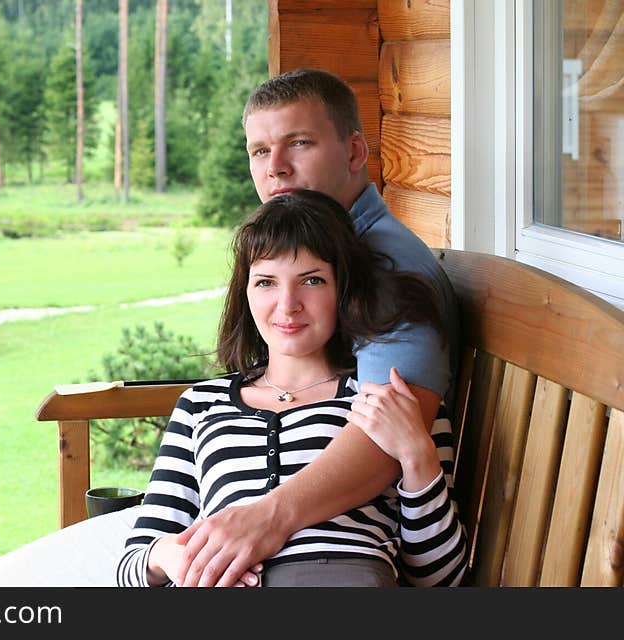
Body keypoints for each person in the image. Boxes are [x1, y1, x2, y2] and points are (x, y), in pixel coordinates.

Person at [171, 68, 459, 587]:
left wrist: (264, 518)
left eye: (298, 143)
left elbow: (386, 440)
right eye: (259, 151)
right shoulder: (323, 241)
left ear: (353, 154)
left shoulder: (390, 272)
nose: (275, 169)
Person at [116, 190, 466, 587]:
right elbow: (132, 565)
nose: (287, 305)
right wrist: (172, 556)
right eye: (266, 282)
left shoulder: (384, 402)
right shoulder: (201, 405)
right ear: (244, 292)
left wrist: (417, 455)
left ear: (344, 290)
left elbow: (442, 578)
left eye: (312, 280)